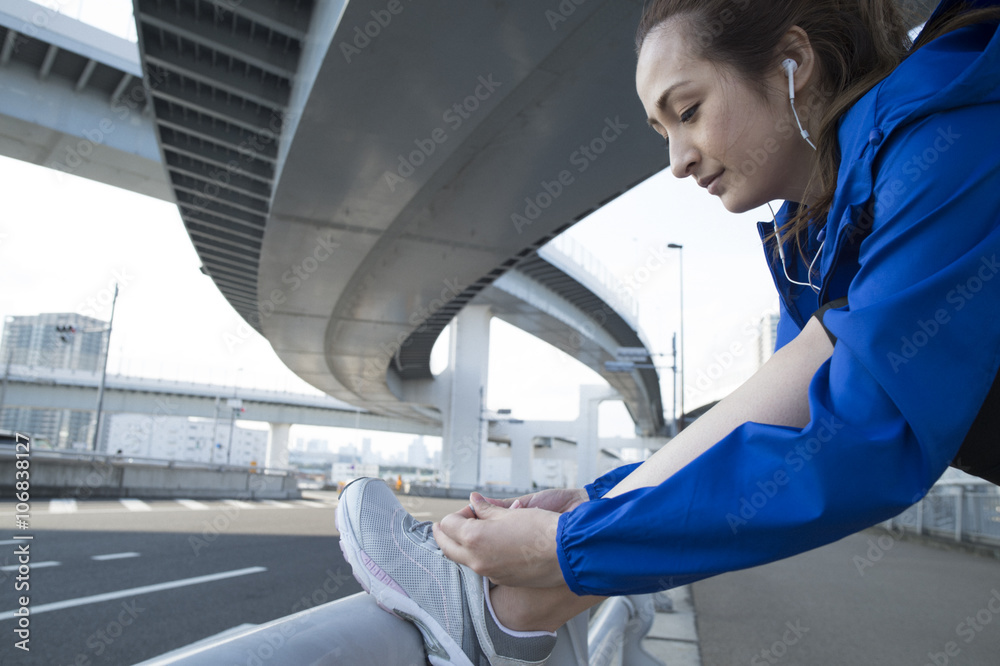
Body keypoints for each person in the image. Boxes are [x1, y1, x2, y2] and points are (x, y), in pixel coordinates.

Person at [335, 0, 1000, 664]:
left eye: (687, 112)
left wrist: (564, 546)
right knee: (816, 352)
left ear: (793, 64)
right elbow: (779, 423)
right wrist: (598, 504)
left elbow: (863, 434)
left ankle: (506, 610)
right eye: (662, 133)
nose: (678, 161)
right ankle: (506, 612)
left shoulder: (948, 131)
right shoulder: (825, 234)